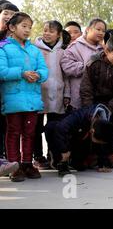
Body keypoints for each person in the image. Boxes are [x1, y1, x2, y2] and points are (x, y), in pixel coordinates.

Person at [0, 12, 49, 182]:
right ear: (12, 28)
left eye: (30, 27)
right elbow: (1, 71)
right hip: (13, 99)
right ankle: (15, 166)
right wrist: (22, 74)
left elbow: (44, 70)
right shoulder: (3, 47)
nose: (27, 30)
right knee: (13, 132)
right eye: (24, 26)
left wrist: (38, 75)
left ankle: (27, 164)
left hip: (32, 100)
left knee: (30, 132)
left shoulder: (34, 50)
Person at [80, 35, 113, 168]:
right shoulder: (94, 63)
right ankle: (91, 156)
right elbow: (86, 86)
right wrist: (89, 108)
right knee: (92, 128)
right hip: (93, 101)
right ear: (107, 51)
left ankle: (110, 154)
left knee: (111, 128)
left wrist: (111, 107)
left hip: (112, 104)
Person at [33, 21, 71, 169]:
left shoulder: (63, 51)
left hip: (57, 95)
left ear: (59, 34)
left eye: (51, 31)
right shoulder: (35, 50)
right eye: (45, 30)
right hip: (38, 94)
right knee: (36, 128)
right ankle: (38, 156)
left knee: (55, 127)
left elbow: (66, 75)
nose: (47, 34)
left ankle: (53, 155)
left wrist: (67, 93)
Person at [45, 104, 113, 176]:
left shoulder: (105, 121)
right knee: (62, 155)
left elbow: (102, 141)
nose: (100, 143)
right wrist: (64, 150)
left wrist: (102, 164)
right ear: (92, 131)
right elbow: (60, 129)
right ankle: (61, 162)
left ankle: (72, 159)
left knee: (79, 166)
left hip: (78, 135)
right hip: (58, 132)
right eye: (98, 141)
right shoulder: (79, 116)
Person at [61, 18, 106, 111]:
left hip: (97, 96)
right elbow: (66, 66)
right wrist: (86, 67)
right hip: (78, 94)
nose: (101, 33)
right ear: (88, 29)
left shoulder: (103, 49)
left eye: (103, 31)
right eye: (98, 29)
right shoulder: (74, 46)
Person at [0, 2, 19, 160]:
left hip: (8, 90)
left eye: (13, 15)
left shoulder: (15, 42)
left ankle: (6, 159)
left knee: (6, 127)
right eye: (6, 13)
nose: (8, 17)